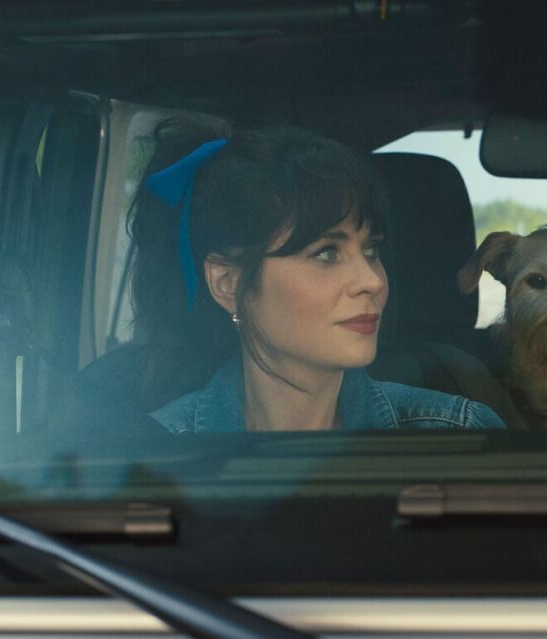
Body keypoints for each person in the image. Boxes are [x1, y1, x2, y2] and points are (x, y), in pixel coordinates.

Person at [129, 120, 504, 432]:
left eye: (371, 251)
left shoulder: (454, 435)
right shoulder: (157, 450)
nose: (372, 281)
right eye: (326, 253)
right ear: (227, 283)